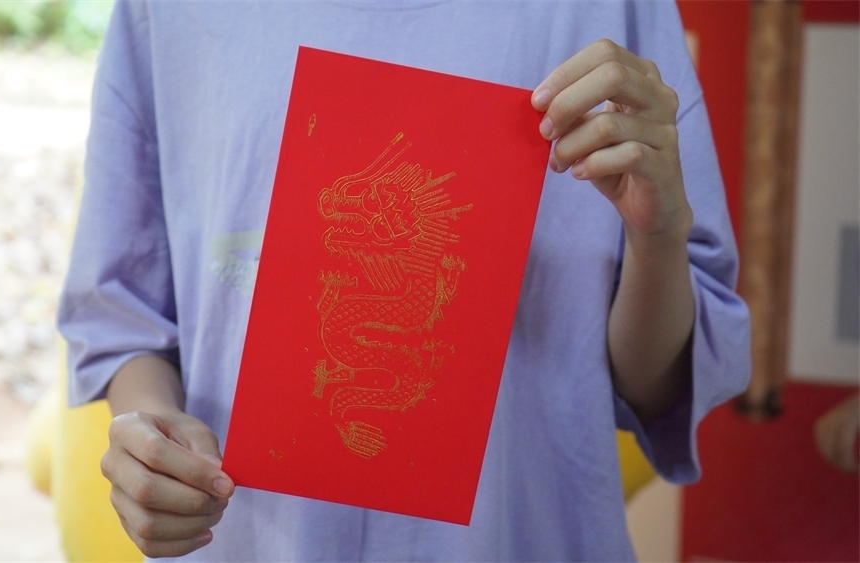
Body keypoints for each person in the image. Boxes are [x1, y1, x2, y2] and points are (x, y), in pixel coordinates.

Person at [57, 1, 751, 560]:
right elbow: (127, 315)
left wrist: (657, 235)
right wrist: (151, 441)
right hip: (250, 536)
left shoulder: (610, 13)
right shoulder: (165, 13)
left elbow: (655, 386)